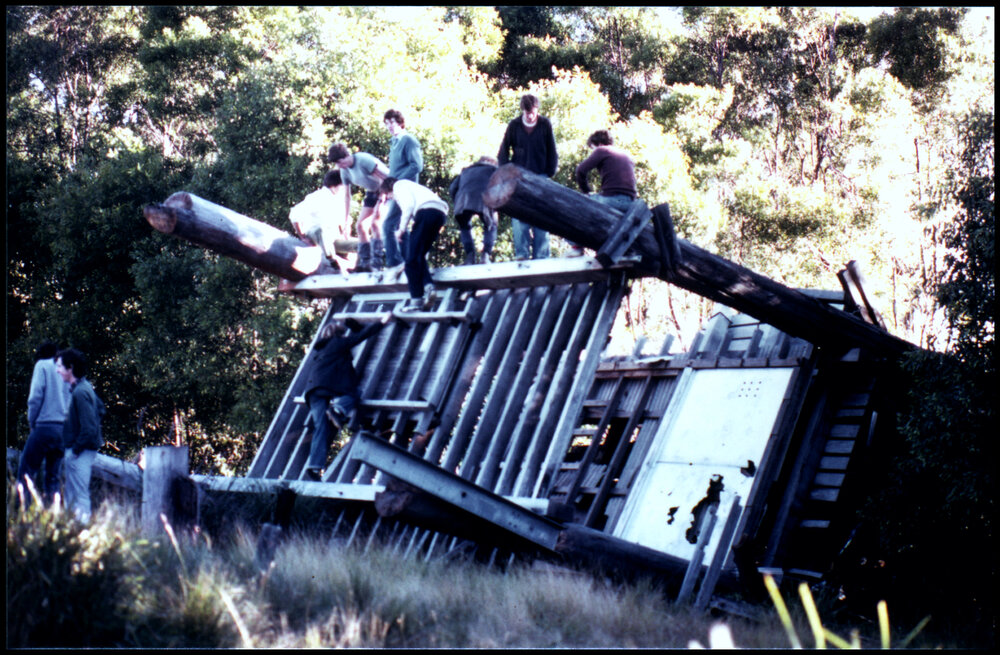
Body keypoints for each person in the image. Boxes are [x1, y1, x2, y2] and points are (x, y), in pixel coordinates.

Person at [302, 314, 390, 481]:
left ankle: (314, 467)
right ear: (338, 335)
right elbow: (359, 337)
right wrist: (382, 322)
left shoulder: (321, 349)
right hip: (327, 387)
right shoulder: (337, 343)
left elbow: (356, 334)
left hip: (313, 391)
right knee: (354, 394)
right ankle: (337, 409)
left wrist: (353, 325)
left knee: (321, 428)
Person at [497, 93, 558, 260]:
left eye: (533, 112)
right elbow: (503, 152)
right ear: (523, 111)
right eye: (527, 113)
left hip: (541, 177)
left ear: (537, 110)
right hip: (519, 178)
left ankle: (542, 258)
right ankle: (522, 255)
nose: (530, 116)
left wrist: (549, 172)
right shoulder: (514, 125)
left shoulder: (545, 124)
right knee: (519, 219)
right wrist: (506, 172)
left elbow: (552, 151)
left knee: (542, 219)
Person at [380, 176, 448, 310]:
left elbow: (409, 206)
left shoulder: (399, 185)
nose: (391, 198)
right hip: (440, 214)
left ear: (389, 189)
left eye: (388, 195)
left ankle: (416, 300)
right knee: (419, 255)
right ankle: (429, 286)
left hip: (426, 212)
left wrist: (401, 229)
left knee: (410, 260)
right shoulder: (414, 187)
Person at [17, 341, 71, 506]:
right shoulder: (66, 370)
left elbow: (35, 397)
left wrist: (32, 421)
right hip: (62, 430)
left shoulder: (42, 365)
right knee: (52, 478)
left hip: (44, 426)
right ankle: (51, 518)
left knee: (25, 474)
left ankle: (24, 516)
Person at [56, 348, 105, 523]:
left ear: (70, 368)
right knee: (72, 496)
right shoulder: (83, 387)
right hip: (80, 450)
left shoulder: (80, 392)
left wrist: (76, 449)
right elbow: (101, 409)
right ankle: (73, 536)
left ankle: (82, 534)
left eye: (60, 366)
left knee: (79, 496)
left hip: (81, 451)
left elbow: (90, 428)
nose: (57, 370)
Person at [572, 129, 639, 256]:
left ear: (598, 144)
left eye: (592, 148)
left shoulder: (602, 150)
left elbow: (581, 170)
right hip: (630, 203)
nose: (592, 152)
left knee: (576, 205)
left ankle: (576, 246)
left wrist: (585, 191)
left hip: (613, 200)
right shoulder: (626, 155)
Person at [328, 143, 391, 272]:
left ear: (346, 157)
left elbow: (384, 178)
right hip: (372, 191)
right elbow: (346, 196)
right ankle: (364, 262)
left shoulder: (363, 160)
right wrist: (345, 221)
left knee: (375, 224)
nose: (339, 166)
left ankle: (376, 263)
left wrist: (382, 198)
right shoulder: (344, 171)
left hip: (388, 188)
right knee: (360, 226)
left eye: (340, 162)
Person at [380, 109, 424, 274]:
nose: (389, 126)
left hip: (406, 190)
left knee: (388, 225)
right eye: (386, 124)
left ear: (399, 122)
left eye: (392, 122)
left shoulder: (408, 140)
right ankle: (407, 262)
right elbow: (393, 171)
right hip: (395, 191)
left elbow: (417, 166)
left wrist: (397, 182)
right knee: (400, 228)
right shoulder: (394, 142)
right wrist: (387, 189)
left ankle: (393, 263)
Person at [289, 170, 352, 270]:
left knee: (360, 245)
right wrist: (302, 236)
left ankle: (365, 265)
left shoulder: (339, 200)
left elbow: (346, 221)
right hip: (315, 234)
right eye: (343, 186)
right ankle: (331, 259)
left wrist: (345, 233)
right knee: (321, 230)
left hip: (334, 240)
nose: (345, 190)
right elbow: (294, 214)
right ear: (336, 185)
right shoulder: (316, 197)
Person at [448, 156, 499, 265]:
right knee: (491, 225)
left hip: (463, 200)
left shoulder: (465, 171)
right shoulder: (494, 170)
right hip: (484, 199)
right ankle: (485, 256)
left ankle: (470, 257)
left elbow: (452, 188)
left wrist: (457, 202)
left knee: (464, 227)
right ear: (491, 162)